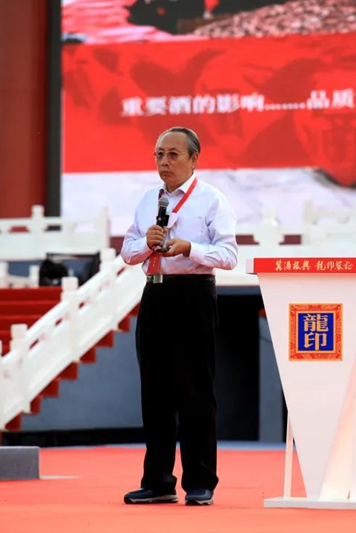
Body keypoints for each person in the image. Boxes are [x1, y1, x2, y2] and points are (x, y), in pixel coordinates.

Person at [120, 127, 238, 506]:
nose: (164, 162)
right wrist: (146, 243)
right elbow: (128, 251)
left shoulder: (211, 200)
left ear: (193, 159)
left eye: (173, 154)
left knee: (195, 391)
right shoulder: (147, 200)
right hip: (155, 293)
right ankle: (158, 481)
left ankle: (200, 481)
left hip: (194, 294)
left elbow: (229, 255)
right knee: (154, 391)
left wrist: (190, 248)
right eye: (159, 154)